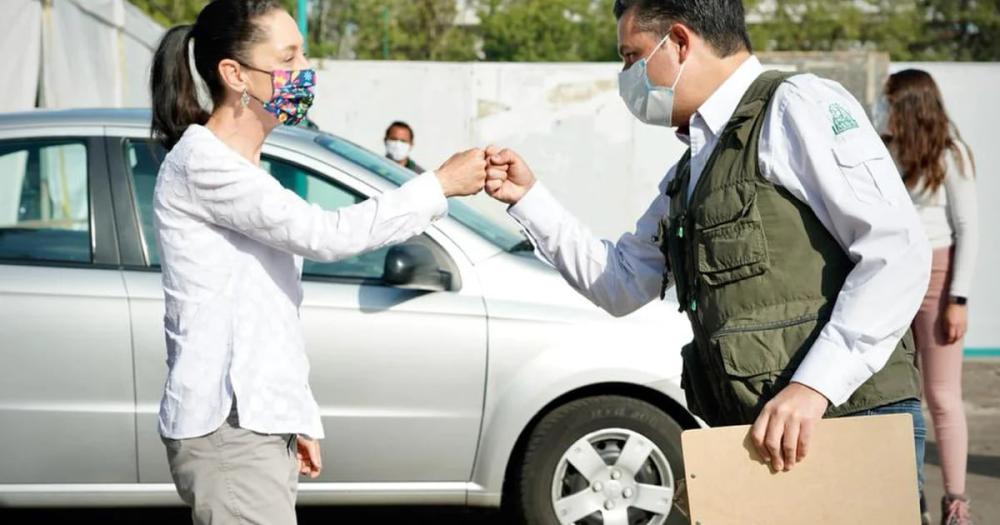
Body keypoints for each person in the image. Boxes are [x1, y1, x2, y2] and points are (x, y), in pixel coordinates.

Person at [485, 0, 932, 510]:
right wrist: (528, 199)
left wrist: (814, 387)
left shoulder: (795, 106)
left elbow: (896, 253)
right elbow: (622, 282)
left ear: (677, 42)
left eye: (632, 56)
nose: (626, 75)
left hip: (845, 424)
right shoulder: (694, 166)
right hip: (760, 441)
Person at [148, 1, 487, 524]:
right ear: (235, 74)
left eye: (303, 54)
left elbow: (265, 308)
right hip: (233, 429)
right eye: (289, 57)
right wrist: (439, 185)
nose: (306, 70)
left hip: (257, 423)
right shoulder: (205, 165)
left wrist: (294, 413)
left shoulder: (242, 168)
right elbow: (325, 234)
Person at [876, 69, 979, 525]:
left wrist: (959, 298)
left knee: (942, 396)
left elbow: (968, 230)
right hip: (894, 276)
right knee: (899, 394)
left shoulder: (951, 156)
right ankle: (904, 495)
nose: (884, 110)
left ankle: (955, 503)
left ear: (912, 107)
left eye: (890, 103)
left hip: (938, 279)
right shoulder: (882, 151)